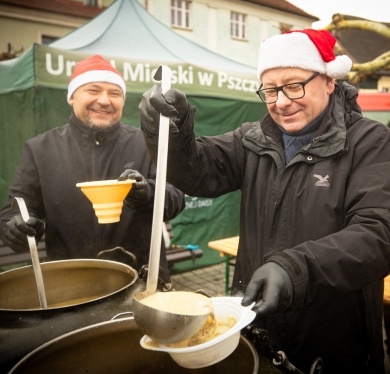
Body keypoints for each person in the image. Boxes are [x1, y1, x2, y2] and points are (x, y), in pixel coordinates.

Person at [138, 29, 390, 373]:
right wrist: (171, 129)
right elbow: (196, 171)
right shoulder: (252, 139)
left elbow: (378, 235)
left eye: (294, 85)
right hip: (256, 326)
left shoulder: (370, 143)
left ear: (329, 82)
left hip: (334, 343)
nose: (281, 101)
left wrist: (295, 269)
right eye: (270, 90)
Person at [0, 54, 185, 282]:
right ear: (72, 97)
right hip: (70, 286)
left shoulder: (146, 143)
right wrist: (15, 226)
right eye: (93, 90)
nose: (105, 101)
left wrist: (147, 192)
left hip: (141, 281)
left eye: (114, 93)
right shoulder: (40, 149)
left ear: (123, 101)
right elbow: (16, 209)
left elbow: (176, 197)